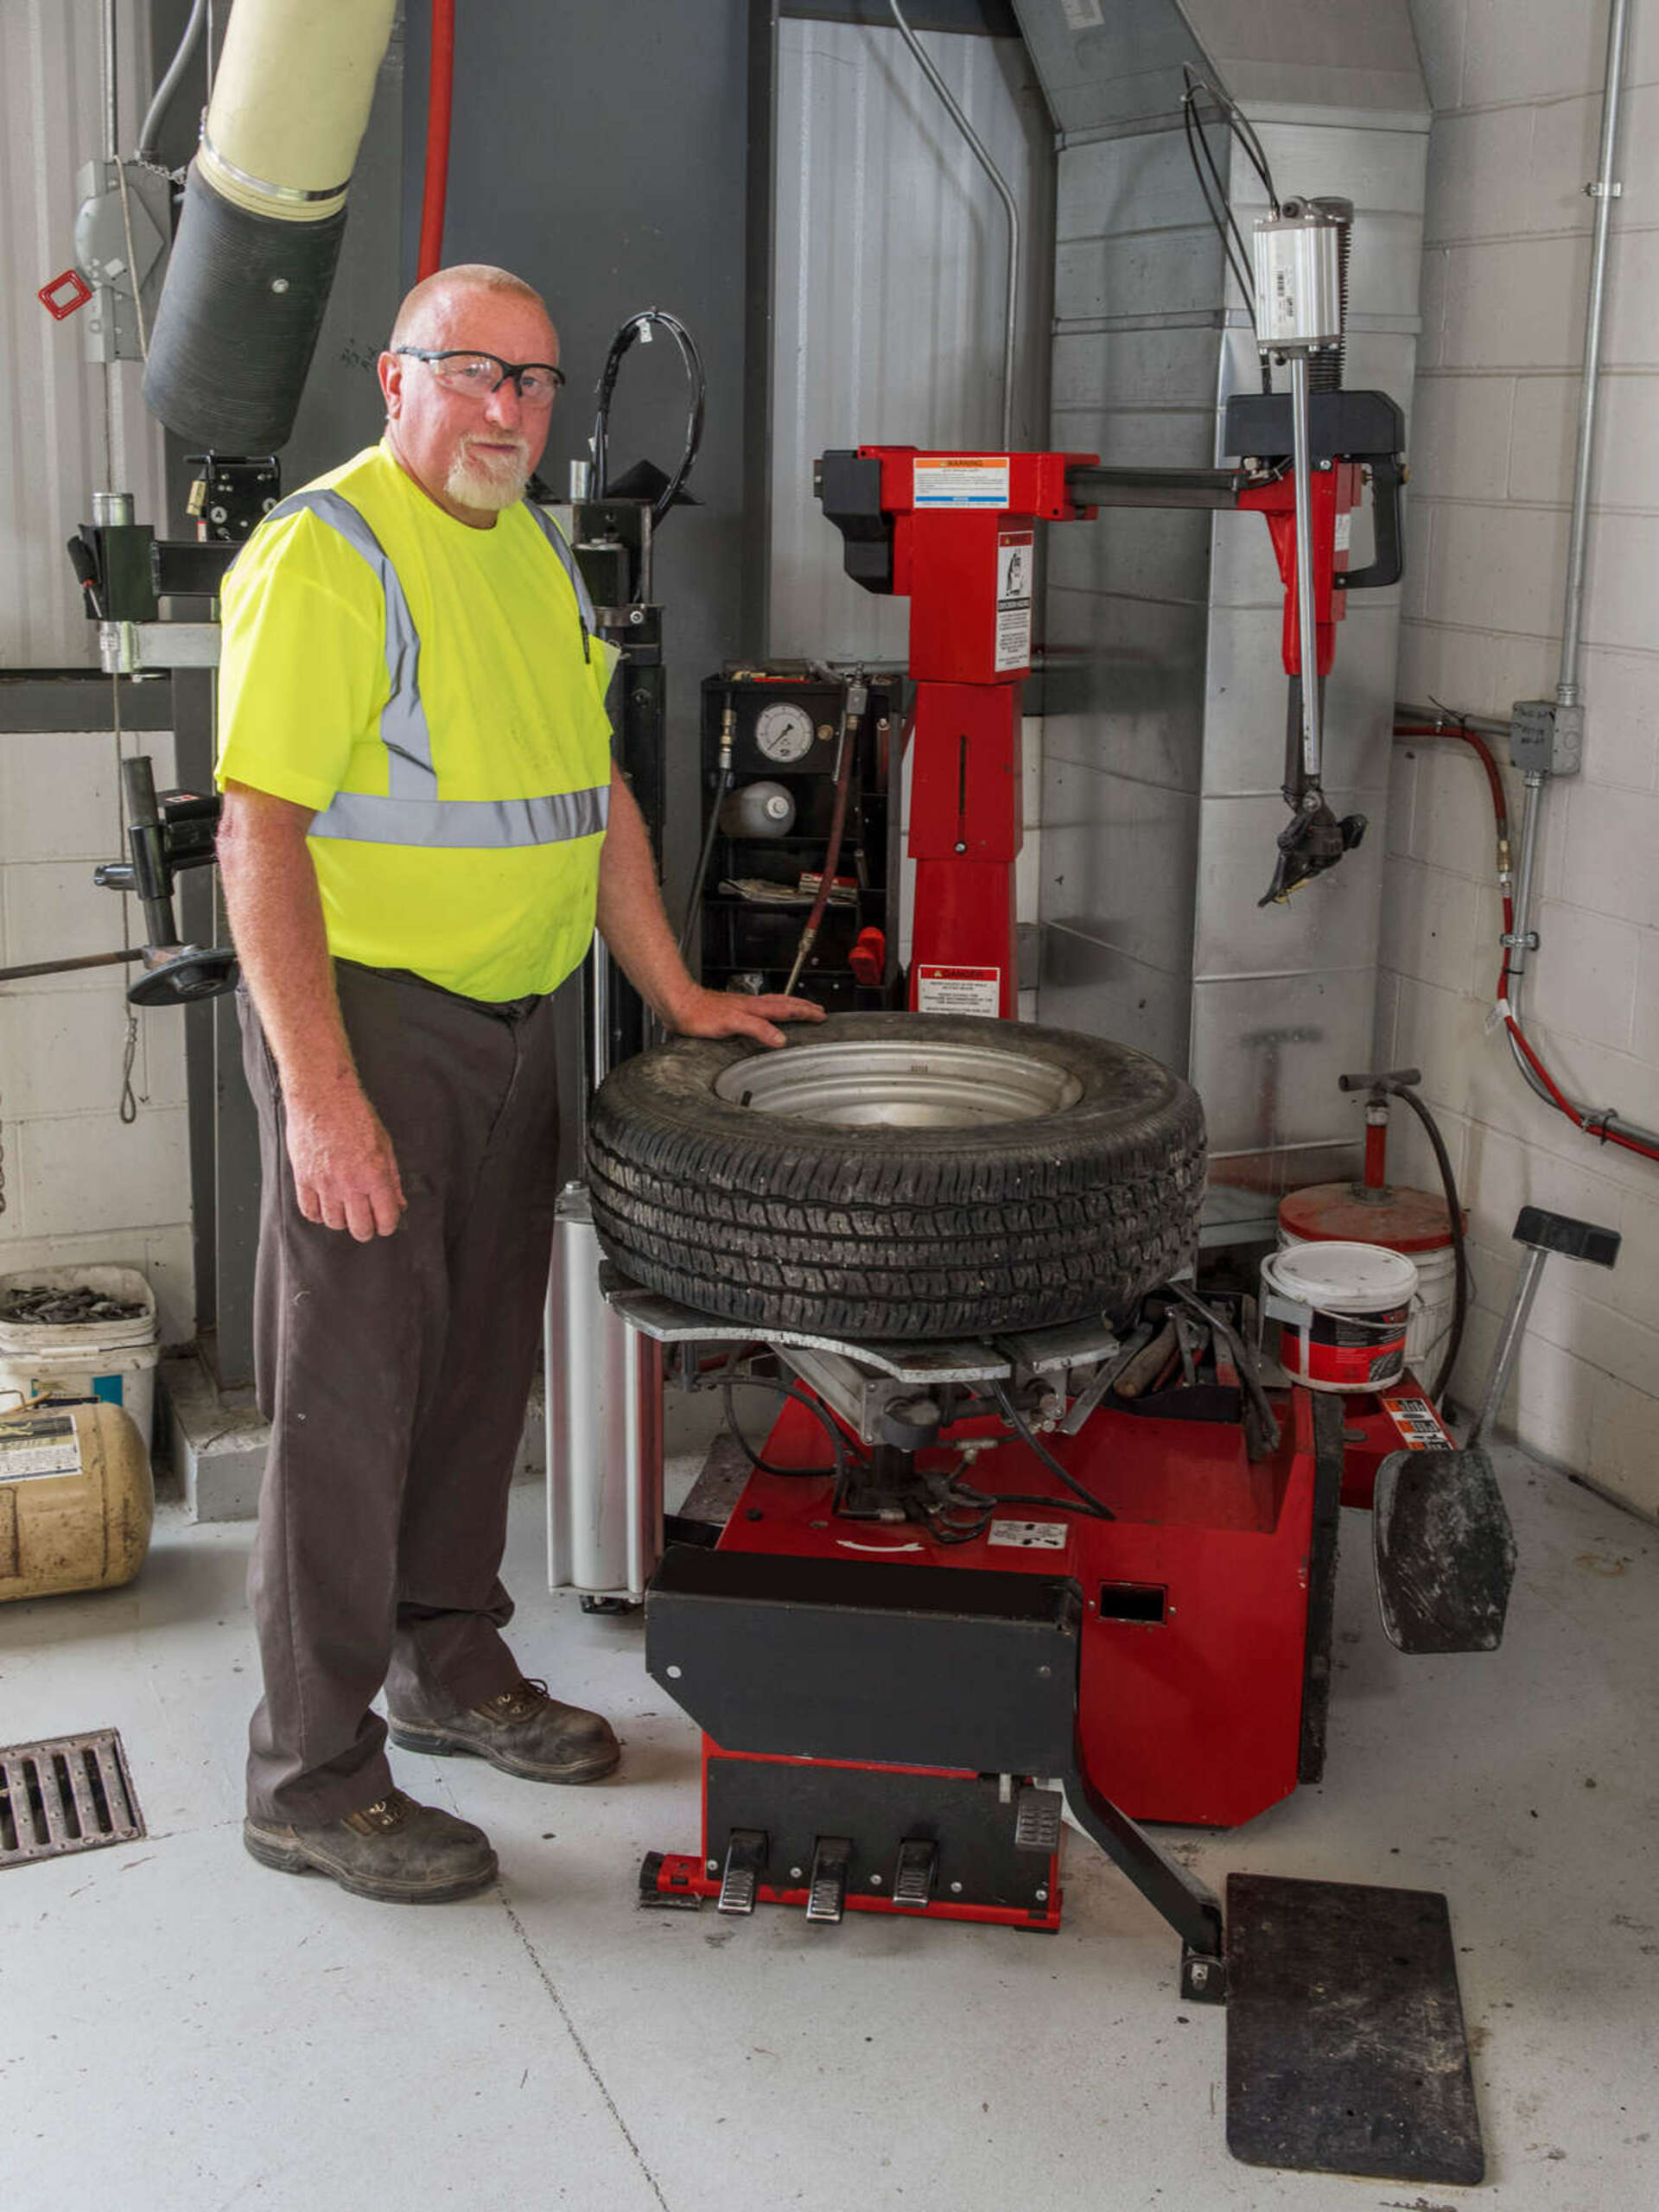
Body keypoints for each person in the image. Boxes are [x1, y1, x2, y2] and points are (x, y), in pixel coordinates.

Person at [215, 262, 822, 1904]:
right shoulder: (329, 553)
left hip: (513, 1022)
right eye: (476, 372)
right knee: (349, 1403)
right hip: (371, 1027)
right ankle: (308, 1776)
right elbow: (258, 836)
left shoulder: (533, 550)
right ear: (397, 376)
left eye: (536, 382)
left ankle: (448, 1663)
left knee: (483, 1371)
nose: (510, 409)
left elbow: (592, 790)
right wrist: (320, 1097)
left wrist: (675, 989)